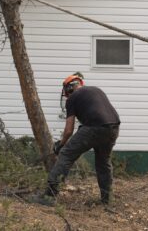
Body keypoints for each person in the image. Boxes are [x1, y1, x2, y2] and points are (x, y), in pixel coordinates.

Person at [35, 74, 120, 206]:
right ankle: (107, 200)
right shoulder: (97, 90)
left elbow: (69, 129)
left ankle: (49, 196)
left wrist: (61, 144)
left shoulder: (72, 98)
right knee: (103, 162)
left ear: (69, 89)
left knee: (66, 154)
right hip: (113, 127)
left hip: (94, 127)